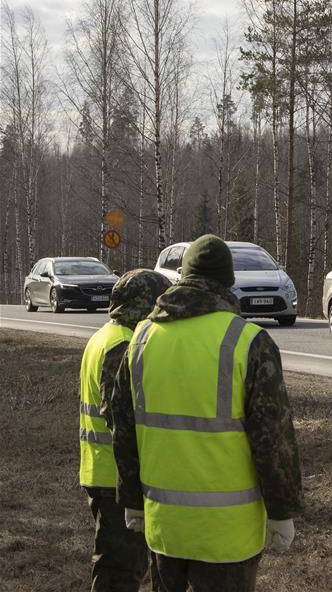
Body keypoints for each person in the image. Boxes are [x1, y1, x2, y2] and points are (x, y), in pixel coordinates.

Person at [109, 234, 303, 592]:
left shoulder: (140, 340)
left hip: (164, 527)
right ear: (228, 282)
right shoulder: (248, 342)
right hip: (228, 536)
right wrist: (281, 509)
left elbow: (123, 427)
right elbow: (273, 438)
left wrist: (132, 499)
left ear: (181, 278)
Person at [79, 268, 170, 592]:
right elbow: (119, 418)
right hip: (115, 479)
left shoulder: (105, 335)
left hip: (103, 471)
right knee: (120, 572)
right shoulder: (122, 344)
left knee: (122, 567)